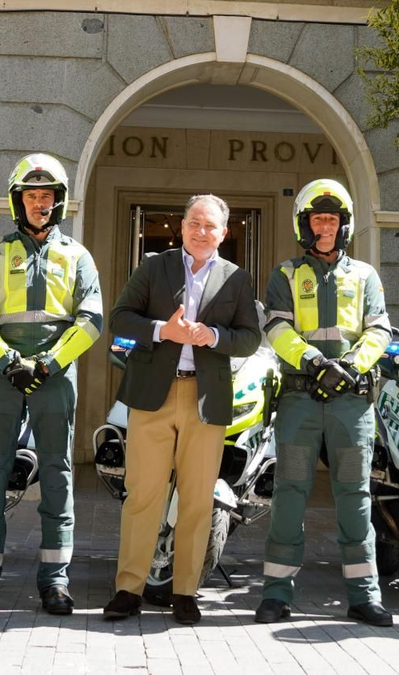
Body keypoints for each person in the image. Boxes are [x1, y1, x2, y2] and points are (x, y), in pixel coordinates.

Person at [0, 153, 102, 617]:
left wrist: (50, 363)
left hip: (54, 376)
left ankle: (55, 582)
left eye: (48, 196)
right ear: (18, 201)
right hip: (2, 375)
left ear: (59, 203)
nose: (40, 203)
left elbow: (92, 319)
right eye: (32, 195)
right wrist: (7, 360)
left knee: (57, 473)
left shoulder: (77, 255)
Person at [101, 194, 262, 625]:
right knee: (143, 496)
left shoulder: (237, 279)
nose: (201, 231)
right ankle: (128, 589)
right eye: (194, 223)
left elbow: (250, 338)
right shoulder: (155, 267)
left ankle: (186, 592)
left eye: (210, 226)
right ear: (183, 226)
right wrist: (161, 330)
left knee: (196, 500)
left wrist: (212, 336)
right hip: (153, 396)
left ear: (224, 233)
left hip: (205, 401)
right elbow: (119, 318)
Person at [254, 179, 392, 627]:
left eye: (332, 219)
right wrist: (314, 361)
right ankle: (276, 594)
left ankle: (365, 596)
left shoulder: (365, 276)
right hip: (300, 398)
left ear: (344, 225)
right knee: (289, 493)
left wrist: (351, 364)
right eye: (318, 219)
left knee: (355, 497)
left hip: (351, 403)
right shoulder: (287, 275)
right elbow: (276, 328)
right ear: (304, 224)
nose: (325, 227)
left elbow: (380, 331)